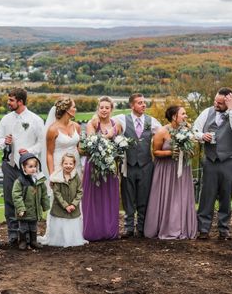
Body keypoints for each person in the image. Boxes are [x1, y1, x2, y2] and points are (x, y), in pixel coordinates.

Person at [192, 87, 232, 240]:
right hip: (210, 160)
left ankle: (224, 229)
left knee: (226, 196)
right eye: (215, 101)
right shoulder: (207, 112)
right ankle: (203, 229)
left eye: (220, 103)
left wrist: (231, 110)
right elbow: (194, 130)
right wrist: (203, 136)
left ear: (229, 102)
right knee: (206, 196)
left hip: (230, 160)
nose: (216, 104)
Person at [0, 88, 45, 245]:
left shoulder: (36, 120)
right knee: (10, 198)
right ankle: (13, 234)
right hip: (10, 164)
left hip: (29, 167)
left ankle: (30, 235)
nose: (8, 102)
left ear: (20, 102)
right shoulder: (5, 119)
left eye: (11, 100)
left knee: (30, 200)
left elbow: (41, 143)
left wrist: (29, 152)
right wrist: (5, 142)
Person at [143, 105, 197, 240]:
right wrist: (170, 152)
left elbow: (192, 151)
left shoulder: (187, 131)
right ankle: (165, 226)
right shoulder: (162, 132)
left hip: (183, 169)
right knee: (167, 197)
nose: (185, 116)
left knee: (181, 197)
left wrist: (189, 151)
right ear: (174, 116)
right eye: (183, 114)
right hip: (165, 171)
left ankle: (182, 227)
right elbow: (155, 152)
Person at [114, 93, 162, 238]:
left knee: (144, 197)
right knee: (128, 197)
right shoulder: (122, 119)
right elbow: (106, 125)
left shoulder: (152, 121)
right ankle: (129, 228)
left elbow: (164, 133)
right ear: (132, 105)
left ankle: (141, 227)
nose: (143, 105)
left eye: (144, 102)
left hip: (146, 165)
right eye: (140, 103)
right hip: (128, 165)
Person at [82, 96, 123, 241]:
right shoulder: (92, 123)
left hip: (110, 167)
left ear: (111, 109)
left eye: (107, 107)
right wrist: (108, 136)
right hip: (94, 166)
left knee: (109, 198)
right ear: (98, 109)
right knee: (94, 199)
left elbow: (119, 144)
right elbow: (92, 144)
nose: (104, 110)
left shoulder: (116, 124)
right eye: (101, 107)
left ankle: (109, 230)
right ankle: (93, 231)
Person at [41, 153, 88, 248]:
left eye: (71, 164)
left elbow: (80, 191)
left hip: (73, 207)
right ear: (62, 164)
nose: (68, 166)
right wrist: (65, 205)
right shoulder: (57, 178)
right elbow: (57, 194)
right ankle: (60, 240)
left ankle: (71, 240)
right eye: (66, 163)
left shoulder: (76, 177)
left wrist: (74, 204)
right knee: (61, 223)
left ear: (74, 165)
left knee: (71, 224)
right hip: (60, 207)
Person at [12, 152, 50, 250]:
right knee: (23, 226)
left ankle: (33, 241)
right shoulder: (20, 181)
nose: (33, 169)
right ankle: (23, 241)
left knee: (33, 226)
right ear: (23, 168)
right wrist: (20, 208)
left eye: (35, 166)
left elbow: (44, 194)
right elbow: (16, 195)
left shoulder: (39, 180)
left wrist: (45, 205)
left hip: (35, 209)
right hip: (24, 210)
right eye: (30, 166)